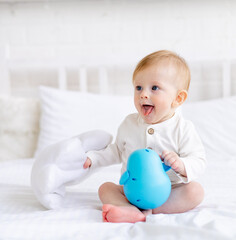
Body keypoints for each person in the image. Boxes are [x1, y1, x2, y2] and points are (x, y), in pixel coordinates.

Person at [83, 50, 206, 223]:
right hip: (132, 191)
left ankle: (151, 211)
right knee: (105, 188)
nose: (143, 94)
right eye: (138, 87)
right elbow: (116, 151)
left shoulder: (182, 128)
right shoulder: (129, 123)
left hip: (168, 192)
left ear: (178, 98)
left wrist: (181, 164)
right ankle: (129, 209)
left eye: (154, 88)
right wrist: (93, 159)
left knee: (195, 191)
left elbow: (199, 160)